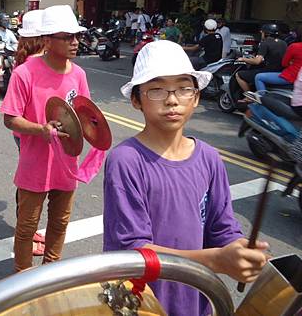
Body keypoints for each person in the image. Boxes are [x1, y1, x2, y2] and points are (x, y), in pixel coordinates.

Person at [104, 40, 269, 316]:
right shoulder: (126, 160)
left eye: (183, 88)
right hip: (141, 302)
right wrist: (216, 260)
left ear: (195, 97)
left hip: (196, 298)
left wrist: (239, 249)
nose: (172, 99)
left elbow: (222, 227)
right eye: (156, 89)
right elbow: (133, 251)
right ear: (136, 99)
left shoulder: (208, 157)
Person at [1, 5, 91, 272]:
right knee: (27, 226)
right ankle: (22, 277)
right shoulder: (24, 73)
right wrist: (41, 129)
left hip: (67, 163)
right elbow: (9, 118)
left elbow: (85, 115)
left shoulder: (78, 74)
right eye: (67, 36)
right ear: (48, 40)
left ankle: (51, 272)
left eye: (77, 36)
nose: (75, 42)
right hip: (35, 163)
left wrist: (91, 129)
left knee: (60, 222)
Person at [235, 24, 287, 92]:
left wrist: (243, 59)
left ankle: (248, 97)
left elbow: (257, 61)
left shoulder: (265, 43)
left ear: (266, 33)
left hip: (268, 71)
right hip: (279, 71)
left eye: (262, 32)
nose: (261, 34)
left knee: (239, 75)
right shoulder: (284, 43)